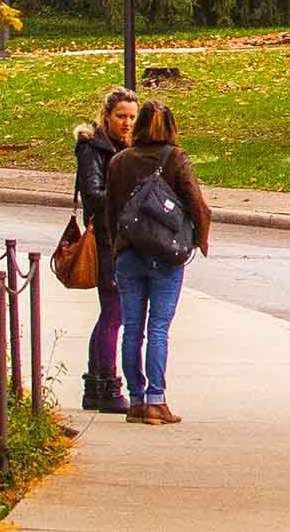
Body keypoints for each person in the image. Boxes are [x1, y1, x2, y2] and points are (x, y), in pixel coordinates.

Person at [102, 101, 211, 424]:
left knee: (132, 327)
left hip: (129, 252)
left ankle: (136, 399)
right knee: (158, 327)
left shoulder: (120, 161)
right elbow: (196, 202)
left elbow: (110, 209)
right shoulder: (175, 158)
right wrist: (199, 239)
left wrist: (116, 246)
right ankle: (156, 399)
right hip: (165, 253)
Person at [67, 87, 140, 413]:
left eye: (132, 117)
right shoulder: (92, 148)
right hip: (105, 239)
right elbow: (93, 195)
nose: (127, 123)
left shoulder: (126, 147)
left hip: (121, 237)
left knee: (112, 314)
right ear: (107, 116)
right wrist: (128, 196)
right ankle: (106, 385)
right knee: (114, 312)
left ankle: (98, 384)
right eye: (121, 116)